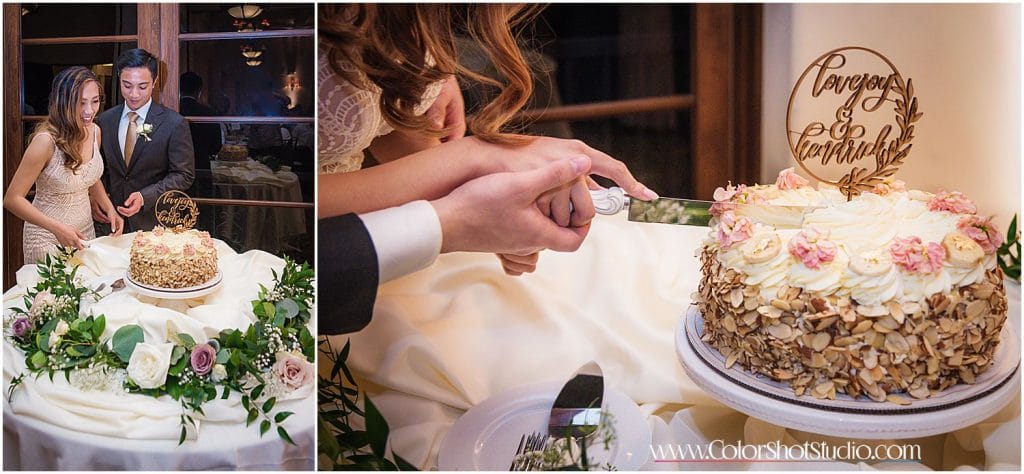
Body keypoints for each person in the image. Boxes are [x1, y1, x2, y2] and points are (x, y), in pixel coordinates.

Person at [318, 4, 658, 276]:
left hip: (388, 240)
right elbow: (297, 194)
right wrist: (471, 160)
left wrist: (493, 207)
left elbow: (380, 129)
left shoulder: (417, 14)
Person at [321, 156, 594, 334]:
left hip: (419, 219)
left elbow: (393, 132)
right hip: (350, 269)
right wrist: (470, 159)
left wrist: (489, 184)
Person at [3, 67, 124, 264]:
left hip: (84, 234)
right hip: (47, 238)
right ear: (64, 102)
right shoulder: (45, 141)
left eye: (95, 101)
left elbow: (87, 176)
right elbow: (12, 199)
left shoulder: (95, 131)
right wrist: (57, 228)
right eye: (81, 102)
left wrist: (109, 208)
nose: (89, 110)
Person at [93, 48, 195, 233]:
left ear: (154, 82)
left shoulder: (174, 123)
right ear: (119, 78)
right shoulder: (105, 120)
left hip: (154, 222)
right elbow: (97, 169)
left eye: (142, 87)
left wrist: (144, 196)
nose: (134, 94)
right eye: (127, 85)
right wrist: (95, 199)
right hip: (112, 220)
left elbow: (184, 175)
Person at [179, 71, 222, 170]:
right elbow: (216, 147)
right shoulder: (209, 113)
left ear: (179, 89)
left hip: (176, 167)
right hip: (201, 166)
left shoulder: (172, 111)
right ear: (199, 91)